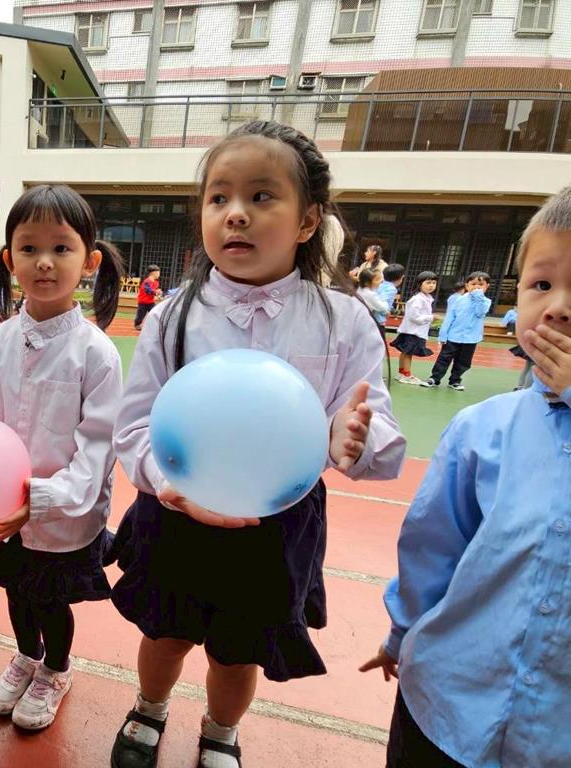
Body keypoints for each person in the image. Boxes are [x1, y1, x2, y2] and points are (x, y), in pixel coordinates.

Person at [106, 121, 405, 768]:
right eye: (219, 198)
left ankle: (221, 731)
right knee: (165, 634)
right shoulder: (171, 316)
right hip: (178, 512)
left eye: (261, 196)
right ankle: (150, 708)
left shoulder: (343, 320)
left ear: (308, 221)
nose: (235, 213)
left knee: (237, 652)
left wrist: (351, 437)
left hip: (276, 524)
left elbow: (377, 436)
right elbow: (132, 427)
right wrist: (168, 483)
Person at [360, 185, 571, 768]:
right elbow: (433, 548)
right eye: (541, 284)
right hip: (446, 706)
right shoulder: (482, 429)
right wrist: (401, 635)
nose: (557, 307)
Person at [0, 185, 124, 731]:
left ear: (89, 262)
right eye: (29, 248)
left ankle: (55, 668)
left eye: (61, 247)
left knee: (51, 600)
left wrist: (42, 500)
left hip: (62, 515)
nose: (44, 261)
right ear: (10, 260)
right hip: (4, 507)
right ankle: (27, 656)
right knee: (15, 591)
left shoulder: (96, 353)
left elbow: (97, 448)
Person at [421, 272, 491, 391]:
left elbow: (480, 313)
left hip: (471, 338)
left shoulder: (485, 301)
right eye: (473, 284)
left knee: (464, 361)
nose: (476, 287)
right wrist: (443, 335)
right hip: (453, 336)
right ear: (467, 286)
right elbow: (450, 317)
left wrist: (479, 297)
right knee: (444, 358)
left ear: (487, 286)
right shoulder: (458, 300)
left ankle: (455, 380)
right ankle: (434, 378)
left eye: (481, 285)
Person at [390, 271, 437, 385]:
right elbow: (414, 317)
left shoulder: (426, 298)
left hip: (413, 331)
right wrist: (431, 317)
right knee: (408, 353)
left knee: (406, 352)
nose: (431, 285)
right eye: (428, 283)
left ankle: (402, 373)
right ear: (419, 284)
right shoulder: (418, 299)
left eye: (434, 283)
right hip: (413, 332)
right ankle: (406, 375)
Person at [357, 267, 390, 337]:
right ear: (367, 283)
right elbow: (383, 308)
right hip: (366, 323)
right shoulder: (370, 294)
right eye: (378, 279)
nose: (381, 281)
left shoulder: (359, 290)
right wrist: (386, 303)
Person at [134, 265, 162, 331]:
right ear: (153, 273)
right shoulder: (147, 281)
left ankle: (154, 325)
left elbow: (153, 291)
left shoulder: (156, 282)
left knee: (155, 312)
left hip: (151, 302)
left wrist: (158, 293)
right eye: (158, 272)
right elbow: (148, 290)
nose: (159, 274)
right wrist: (156, 292)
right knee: (141, 315)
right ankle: (137, 324)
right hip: (143, 302)